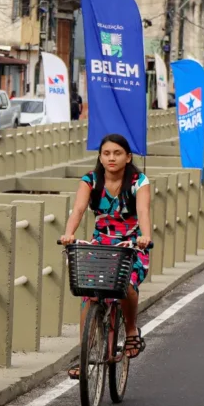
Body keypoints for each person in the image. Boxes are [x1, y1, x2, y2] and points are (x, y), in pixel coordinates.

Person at [60, 134, 152, 379]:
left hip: (131, 245)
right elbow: (78, 209)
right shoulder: (90, 181)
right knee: (89, 294)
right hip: (101, 246)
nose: (112, 158)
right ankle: (85, 354)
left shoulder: (138, 181)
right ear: (100, 157)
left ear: (128, 157)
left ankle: (131, 330)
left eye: (118, 153)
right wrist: (68, 234)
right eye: (107, 153)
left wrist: (145, 236)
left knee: (127, 285)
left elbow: (143, 210)